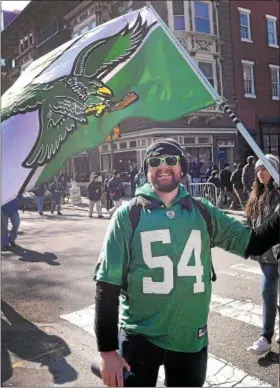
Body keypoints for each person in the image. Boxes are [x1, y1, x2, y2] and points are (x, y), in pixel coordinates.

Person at [93, 138, 280, 388]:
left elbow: (254, 243)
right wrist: (107, 352)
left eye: (171, 160)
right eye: (154, 161)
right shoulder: (127, 215)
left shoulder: (203, 211)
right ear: (146, 169)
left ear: (182, 168)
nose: (163, 166)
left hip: (190, 339)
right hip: (140, 336)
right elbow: (107, 284)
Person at [245, 154, 280, 354]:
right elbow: (249, 220)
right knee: (271, 292)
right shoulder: (256, 194)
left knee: (268, 290)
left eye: (265, 169)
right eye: (258, 169)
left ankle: (265, 337)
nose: (260, 173)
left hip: (276, 253)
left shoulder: (277, 194)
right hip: (263, 254)